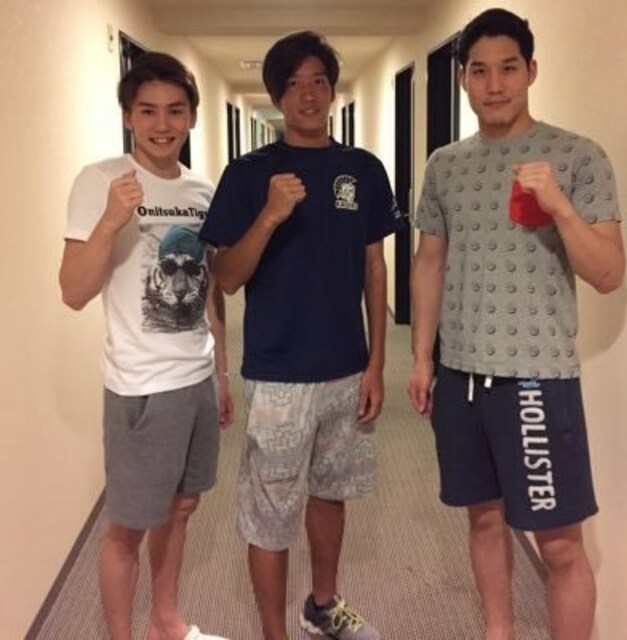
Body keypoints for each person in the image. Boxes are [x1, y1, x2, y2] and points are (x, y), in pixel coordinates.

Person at [408, 8, 625, 640]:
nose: (495, 84)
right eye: (480, 71)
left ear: (531, 71)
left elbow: (609, 272)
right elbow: (429, 261)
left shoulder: (578, 156)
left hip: (536, 378)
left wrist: (559, 206)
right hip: (460, 375)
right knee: (482, 519)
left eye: (508, 68)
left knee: (558, 544)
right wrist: (421, 356)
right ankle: (498, 632)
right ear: (463, 80)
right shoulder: (445, 164)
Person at [199, 31, 401, 640]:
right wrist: (269, 215)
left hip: (347, 367)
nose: (307, 94)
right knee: (270, 511)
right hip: (278, 373)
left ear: (332, 90)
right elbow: (226, 278)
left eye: (318, 81)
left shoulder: (363, 169)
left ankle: (323, 604)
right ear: (276, 96)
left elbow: (374, 267)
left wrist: (376, 363)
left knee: (331, 491)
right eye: (292, 84)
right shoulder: (248, 174)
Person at [59, 52, 233, 640]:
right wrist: (112, 219)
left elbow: (210, 292)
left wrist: (222, 375)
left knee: (182, 508)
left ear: (192, 117)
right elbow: (73, 292)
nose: (163, 124)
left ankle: (166, 620)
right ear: (128, 116)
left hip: (196, 379)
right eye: (148, 111)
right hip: (140, 386)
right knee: (128, 528)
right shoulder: (100, 181)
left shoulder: (201, 191)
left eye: (175, 111)